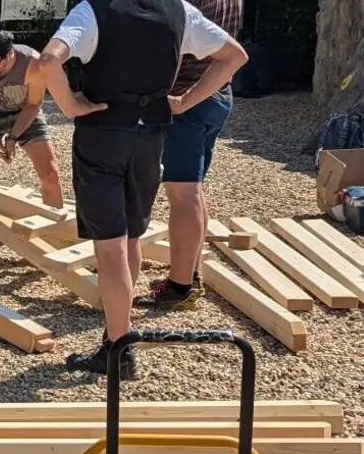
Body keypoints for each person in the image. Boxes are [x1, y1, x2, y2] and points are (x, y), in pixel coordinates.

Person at [31, 0, 247, 378]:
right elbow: (234, 57)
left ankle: (119, 350)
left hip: (103, 134)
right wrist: (184, 102)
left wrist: (70, 104)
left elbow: (47, 60)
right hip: (152, 135)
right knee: (131, 237)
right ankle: (118, 336)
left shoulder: (94, 9)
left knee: (111, 245)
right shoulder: (179, 10)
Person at [138, 0, 241, 309]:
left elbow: (170, 46)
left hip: (189, 98)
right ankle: (189, 276)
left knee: (182, 193)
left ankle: (180, 288)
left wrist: (180, 101)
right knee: (192, 190)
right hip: (215, 93)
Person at [0, 17, 66, 268]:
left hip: (24, 115)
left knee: (50, 173)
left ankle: (56, 236)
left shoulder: (33, 64)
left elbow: (34, 104)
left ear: (9, 55)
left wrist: (14, 136)